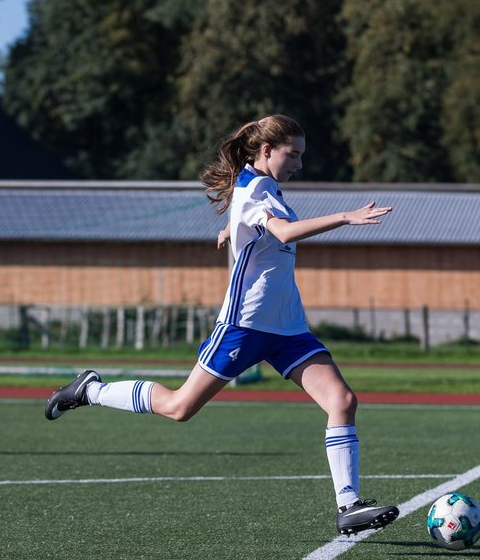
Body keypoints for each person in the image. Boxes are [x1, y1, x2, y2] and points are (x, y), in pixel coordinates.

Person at [45, 114, 399, 535]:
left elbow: (255, 221)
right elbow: (282, 232)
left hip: (287, 328)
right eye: (294, 155)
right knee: (180, 408)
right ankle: (91, 389)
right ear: (267, 151)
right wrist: (343, 217)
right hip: (244, 325)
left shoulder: (262, 187)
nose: (300, 164)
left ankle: (349, 506)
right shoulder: (255, 190)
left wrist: (231, 228)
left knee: (341, 401)